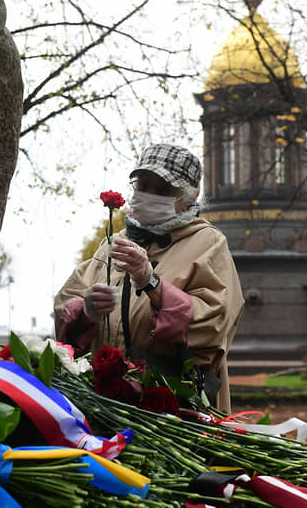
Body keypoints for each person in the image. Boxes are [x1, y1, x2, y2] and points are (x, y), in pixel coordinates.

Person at [54, 143, 244, 412]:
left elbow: (215, 323)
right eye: (143, 186)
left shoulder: (209, 243)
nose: (149, 195)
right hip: (105, 402)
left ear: (191, 196)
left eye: (163, 190)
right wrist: (85, 311)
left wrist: (151, 282)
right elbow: (66, 303)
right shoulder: (113, 243)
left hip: (173, 408)